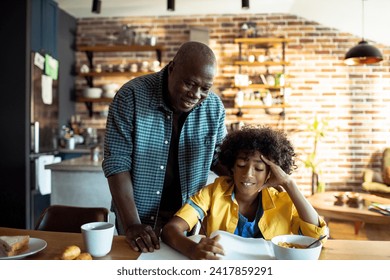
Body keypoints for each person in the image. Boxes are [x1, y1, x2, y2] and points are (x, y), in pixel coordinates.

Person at [102, 41, 228, 253]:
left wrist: (255, 176)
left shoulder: (214, 107)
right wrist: (132, 224)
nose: (196, 95)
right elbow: (117, 163)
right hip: (137, 217)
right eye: (189, 84)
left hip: (185, 219)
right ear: (171, 69)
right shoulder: (131, 96)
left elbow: (218, 158)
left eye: (205, 88)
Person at [161, 126, 328, 260]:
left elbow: (316, 237)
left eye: (259, 168)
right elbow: (171, 230)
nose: (248, 174)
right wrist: (192, 249)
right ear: (232, 166)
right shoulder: (214, 192)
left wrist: (288, 183)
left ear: (270, 173)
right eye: (241, 165)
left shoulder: (282, 200)